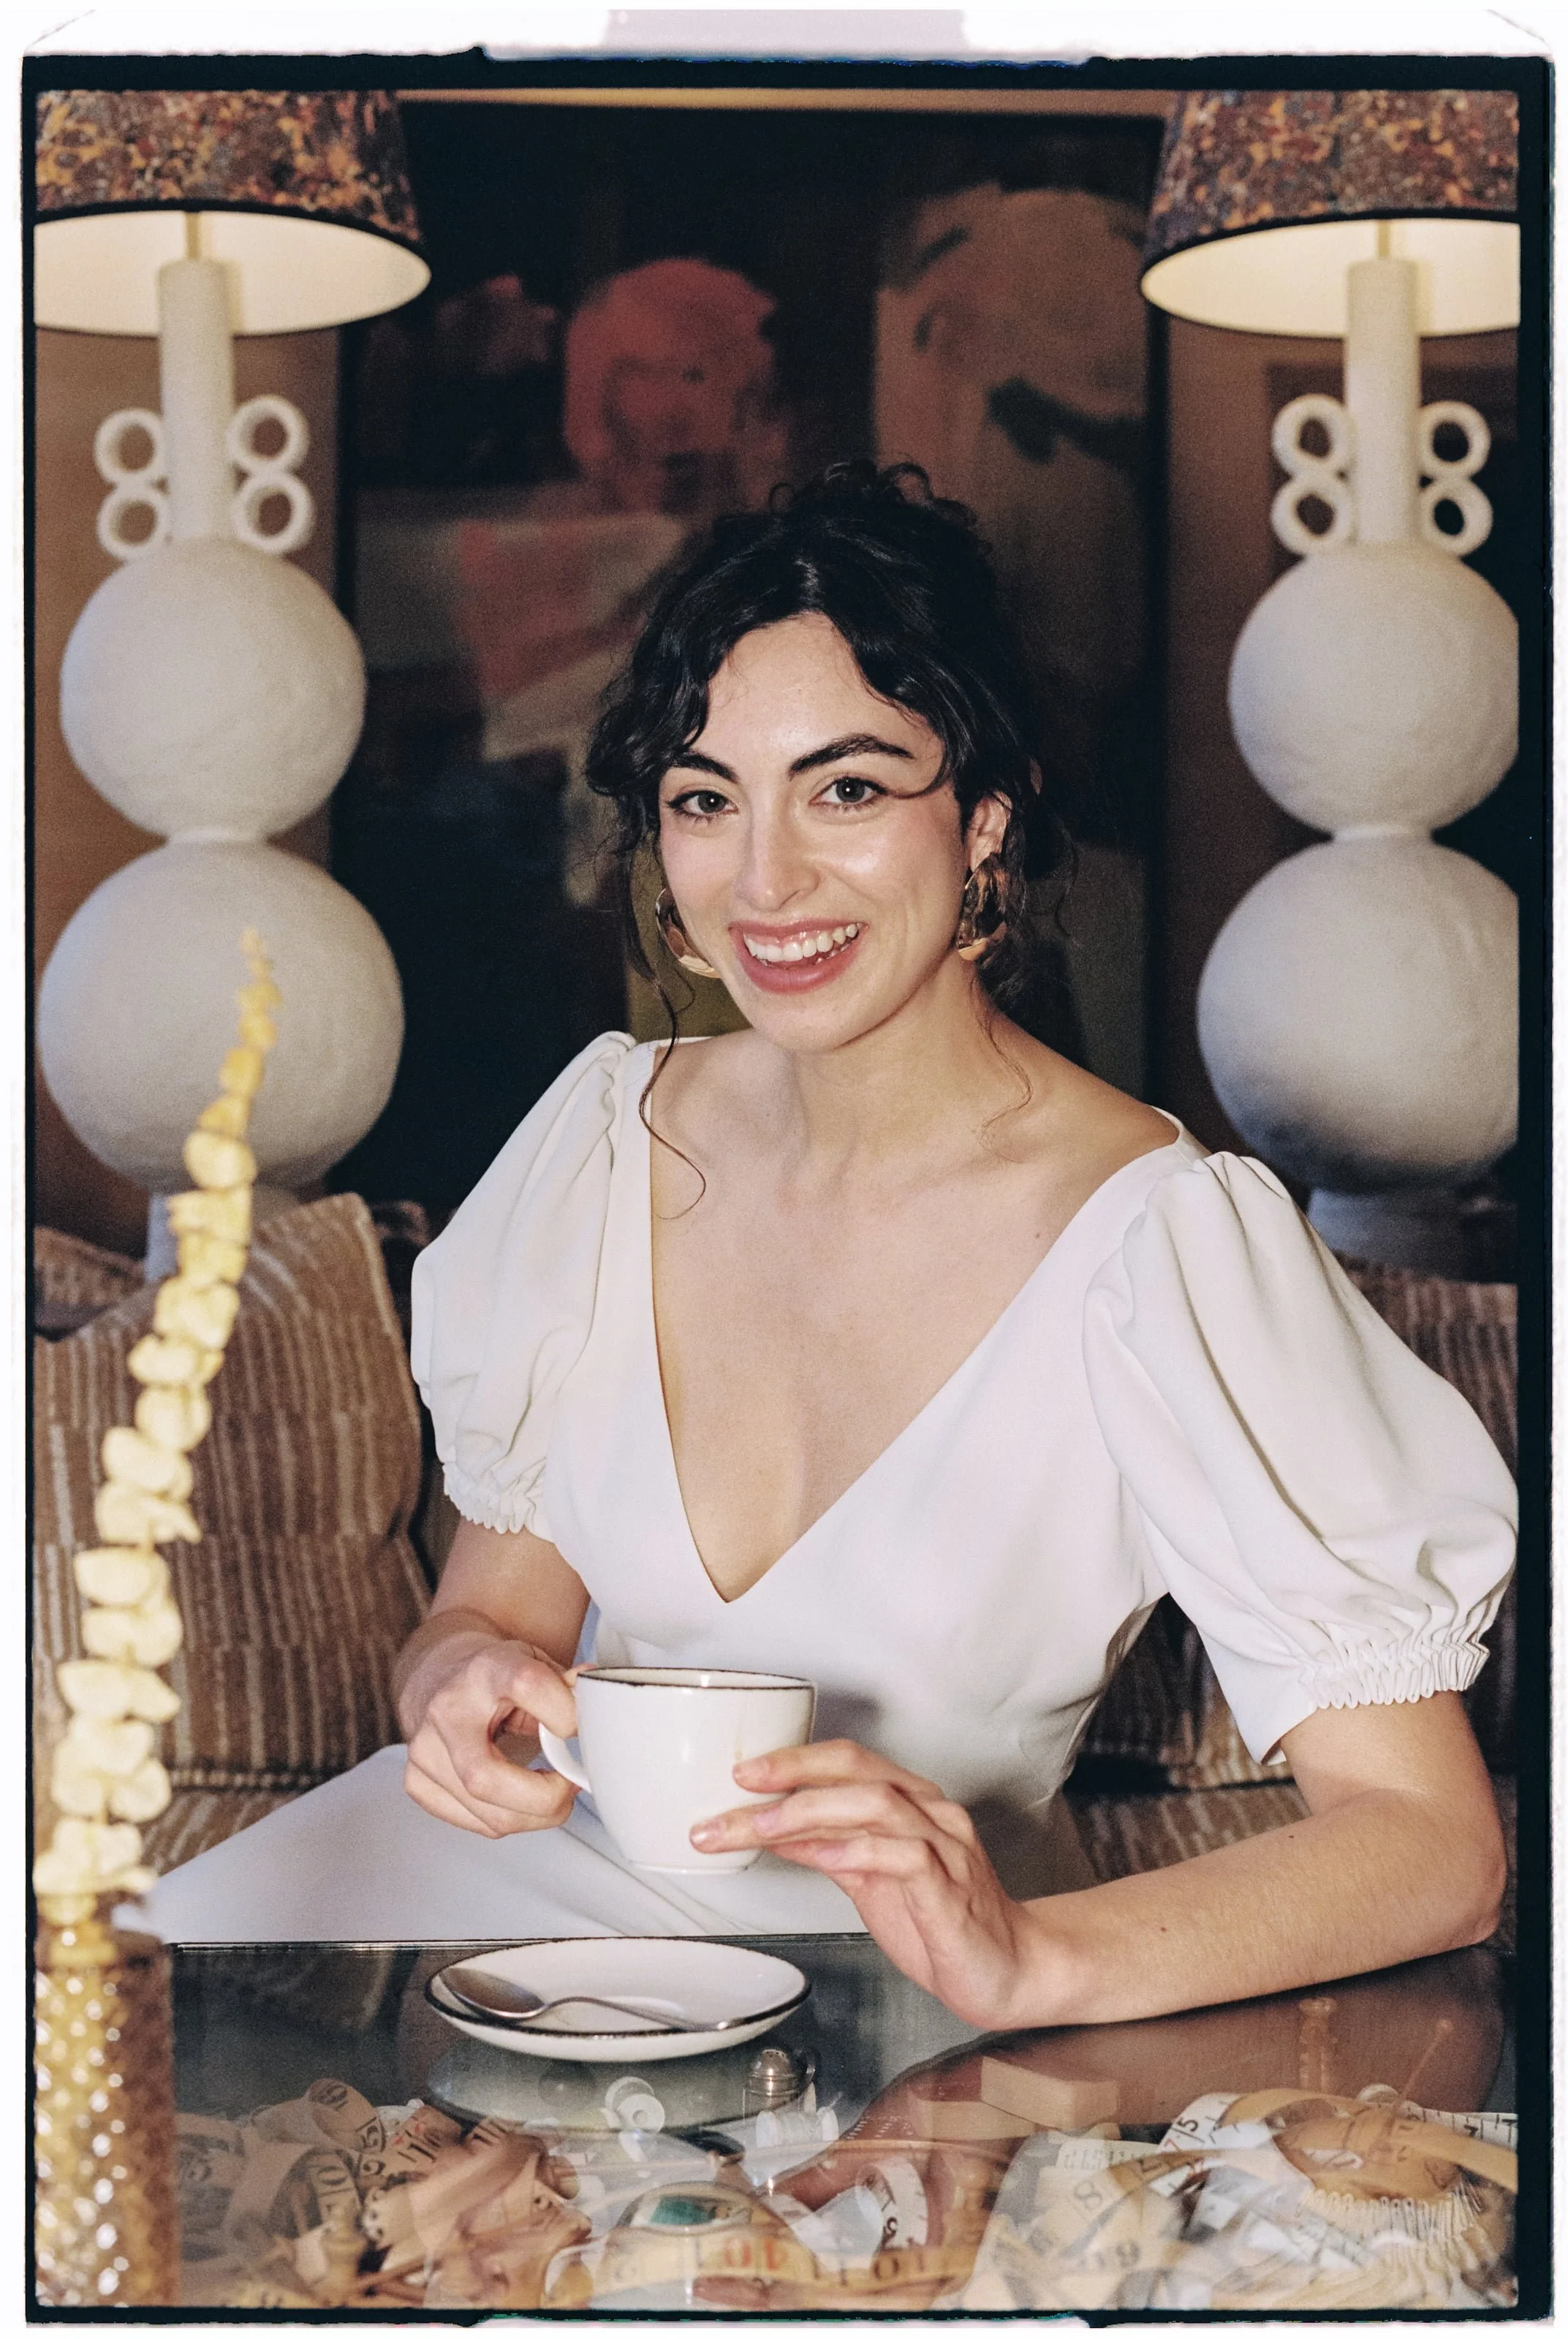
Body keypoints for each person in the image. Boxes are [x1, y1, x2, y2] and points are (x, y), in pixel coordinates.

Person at [395, 462, 1514, 2033]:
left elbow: (1432, 1847)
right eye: (707, 798)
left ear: (982, 817)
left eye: (845, 788)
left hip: (917, 2097)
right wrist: (450, 1685)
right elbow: (489, 1616)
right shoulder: (602, 1142)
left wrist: (1029, 1958)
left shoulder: (1157, 1244)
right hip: (547, 2009)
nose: (765, 880)